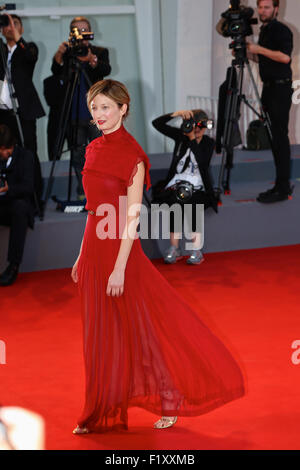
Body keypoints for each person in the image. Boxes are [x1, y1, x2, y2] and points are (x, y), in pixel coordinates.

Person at [71, 79, 244, 434]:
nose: (99, 115)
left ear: (123, 108)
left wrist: (119, 269)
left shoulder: (134, 156)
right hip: (93, 249)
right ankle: (99, 409)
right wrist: (80, 255)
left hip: (121, 253)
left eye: (106, 107)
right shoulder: (91, 150)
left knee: (141, 330)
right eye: (94, 109)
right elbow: (93, 211)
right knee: (100, 335)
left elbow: (131, 218)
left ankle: (169, 398)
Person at [49, 16, 111, 199]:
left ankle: (102, 191)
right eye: (78, 30)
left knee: (99, 154)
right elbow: (55, 71)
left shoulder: (100, 51)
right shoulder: (68, 54)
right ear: (71, 34)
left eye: (85, 30)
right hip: (74, 113)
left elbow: (106, 70)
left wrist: (93, 60)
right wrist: (59, 54)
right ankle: (83, 191)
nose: (82, 34)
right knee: (78, 156)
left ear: (91, 32)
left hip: (95, 112)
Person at [152, 110, 218, 265]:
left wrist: (193, 139)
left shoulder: (208, 143)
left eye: (202, 125)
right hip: (178, 184)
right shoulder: (180, 137)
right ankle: (175, 248)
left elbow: (202, 162)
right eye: (195, 125)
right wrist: (174, 114)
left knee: (193, 205)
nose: (198, 128)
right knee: (176, 204)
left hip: (198, 187)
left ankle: (196, 249)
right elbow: (157, 124)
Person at [247, 0, 293, 203]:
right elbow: (264, 59)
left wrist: (258, 49)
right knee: (274, 137)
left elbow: (284, 58)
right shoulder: (264, 30)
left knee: (280, 137)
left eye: (266, 7)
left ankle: (282, 188)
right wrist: (248, 53)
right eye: (260, 7)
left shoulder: (282, 30)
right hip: (269, 88)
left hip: (281, 89)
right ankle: (279, 184)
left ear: (276, 9)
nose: (262, 11)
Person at [0, 14, 45, 206]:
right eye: (6, 25)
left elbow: (30, 57)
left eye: (15, 24)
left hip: (23, 111)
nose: (10, 28)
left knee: (28, 152)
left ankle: (35, 196)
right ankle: (8, 194)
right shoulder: (0, 50)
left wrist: (18, 37)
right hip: (3, 111)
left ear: (22, 29)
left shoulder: (29, 48)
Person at [0, 124, 35, 286]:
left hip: (17, 204)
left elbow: (29, 187)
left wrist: (9, 188)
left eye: (3, 150)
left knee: (20, 208)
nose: (2, 154)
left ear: (10, 146)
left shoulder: (26, 157)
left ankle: (13, 266)